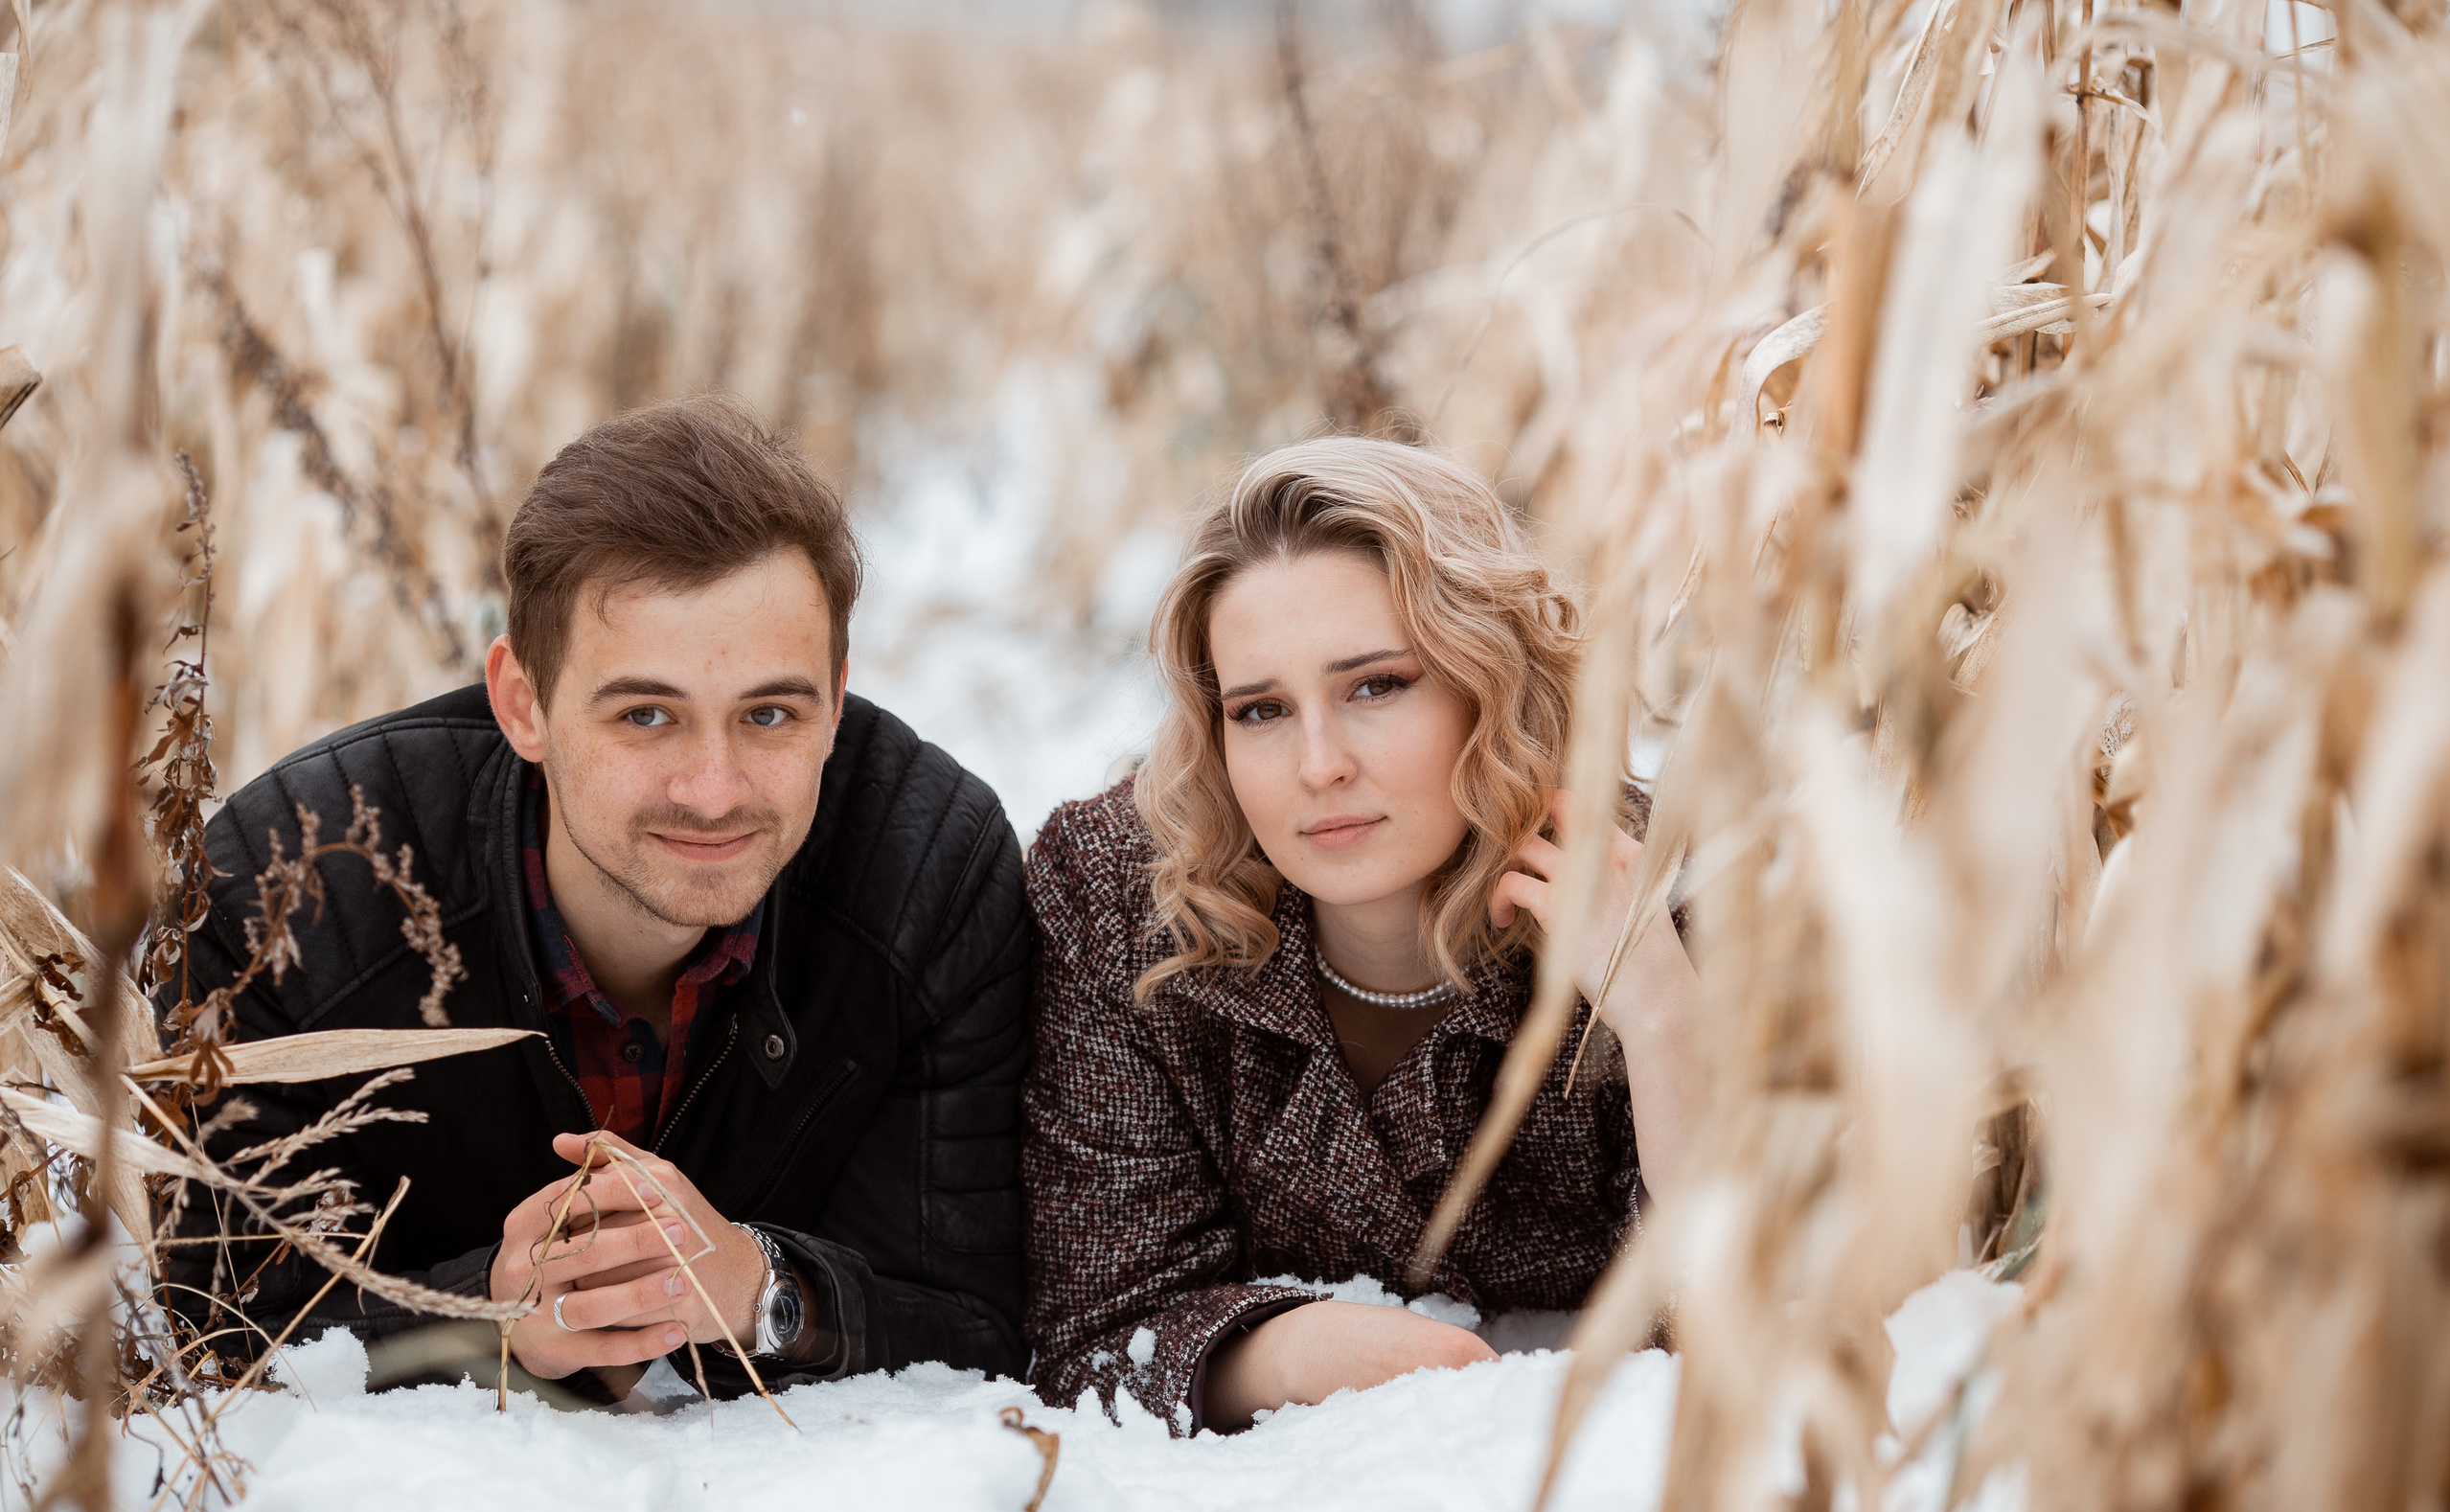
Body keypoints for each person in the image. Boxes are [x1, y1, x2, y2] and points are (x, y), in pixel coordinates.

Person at [161, 395, 1030, 1402]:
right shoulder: (295, 889)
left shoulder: (931, 873)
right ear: (523, 702)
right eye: (646, 714)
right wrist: (483, 1313)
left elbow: (979, 1324)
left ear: (837, 700)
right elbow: (199, 1318)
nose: (714, 788)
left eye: (770, 713)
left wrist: (766, 1291)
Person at [1022, 437, 1699, 1432]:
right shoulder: (1121, 898)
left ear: (1489, 679)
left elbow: (1763, 1309)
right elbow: (1096, 1326)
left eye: (1376, 685)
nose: (1318, 764)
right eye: (1259, 709)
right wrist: (1284, 1353)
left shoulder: (1671, 885)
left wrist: (1662, 1014)